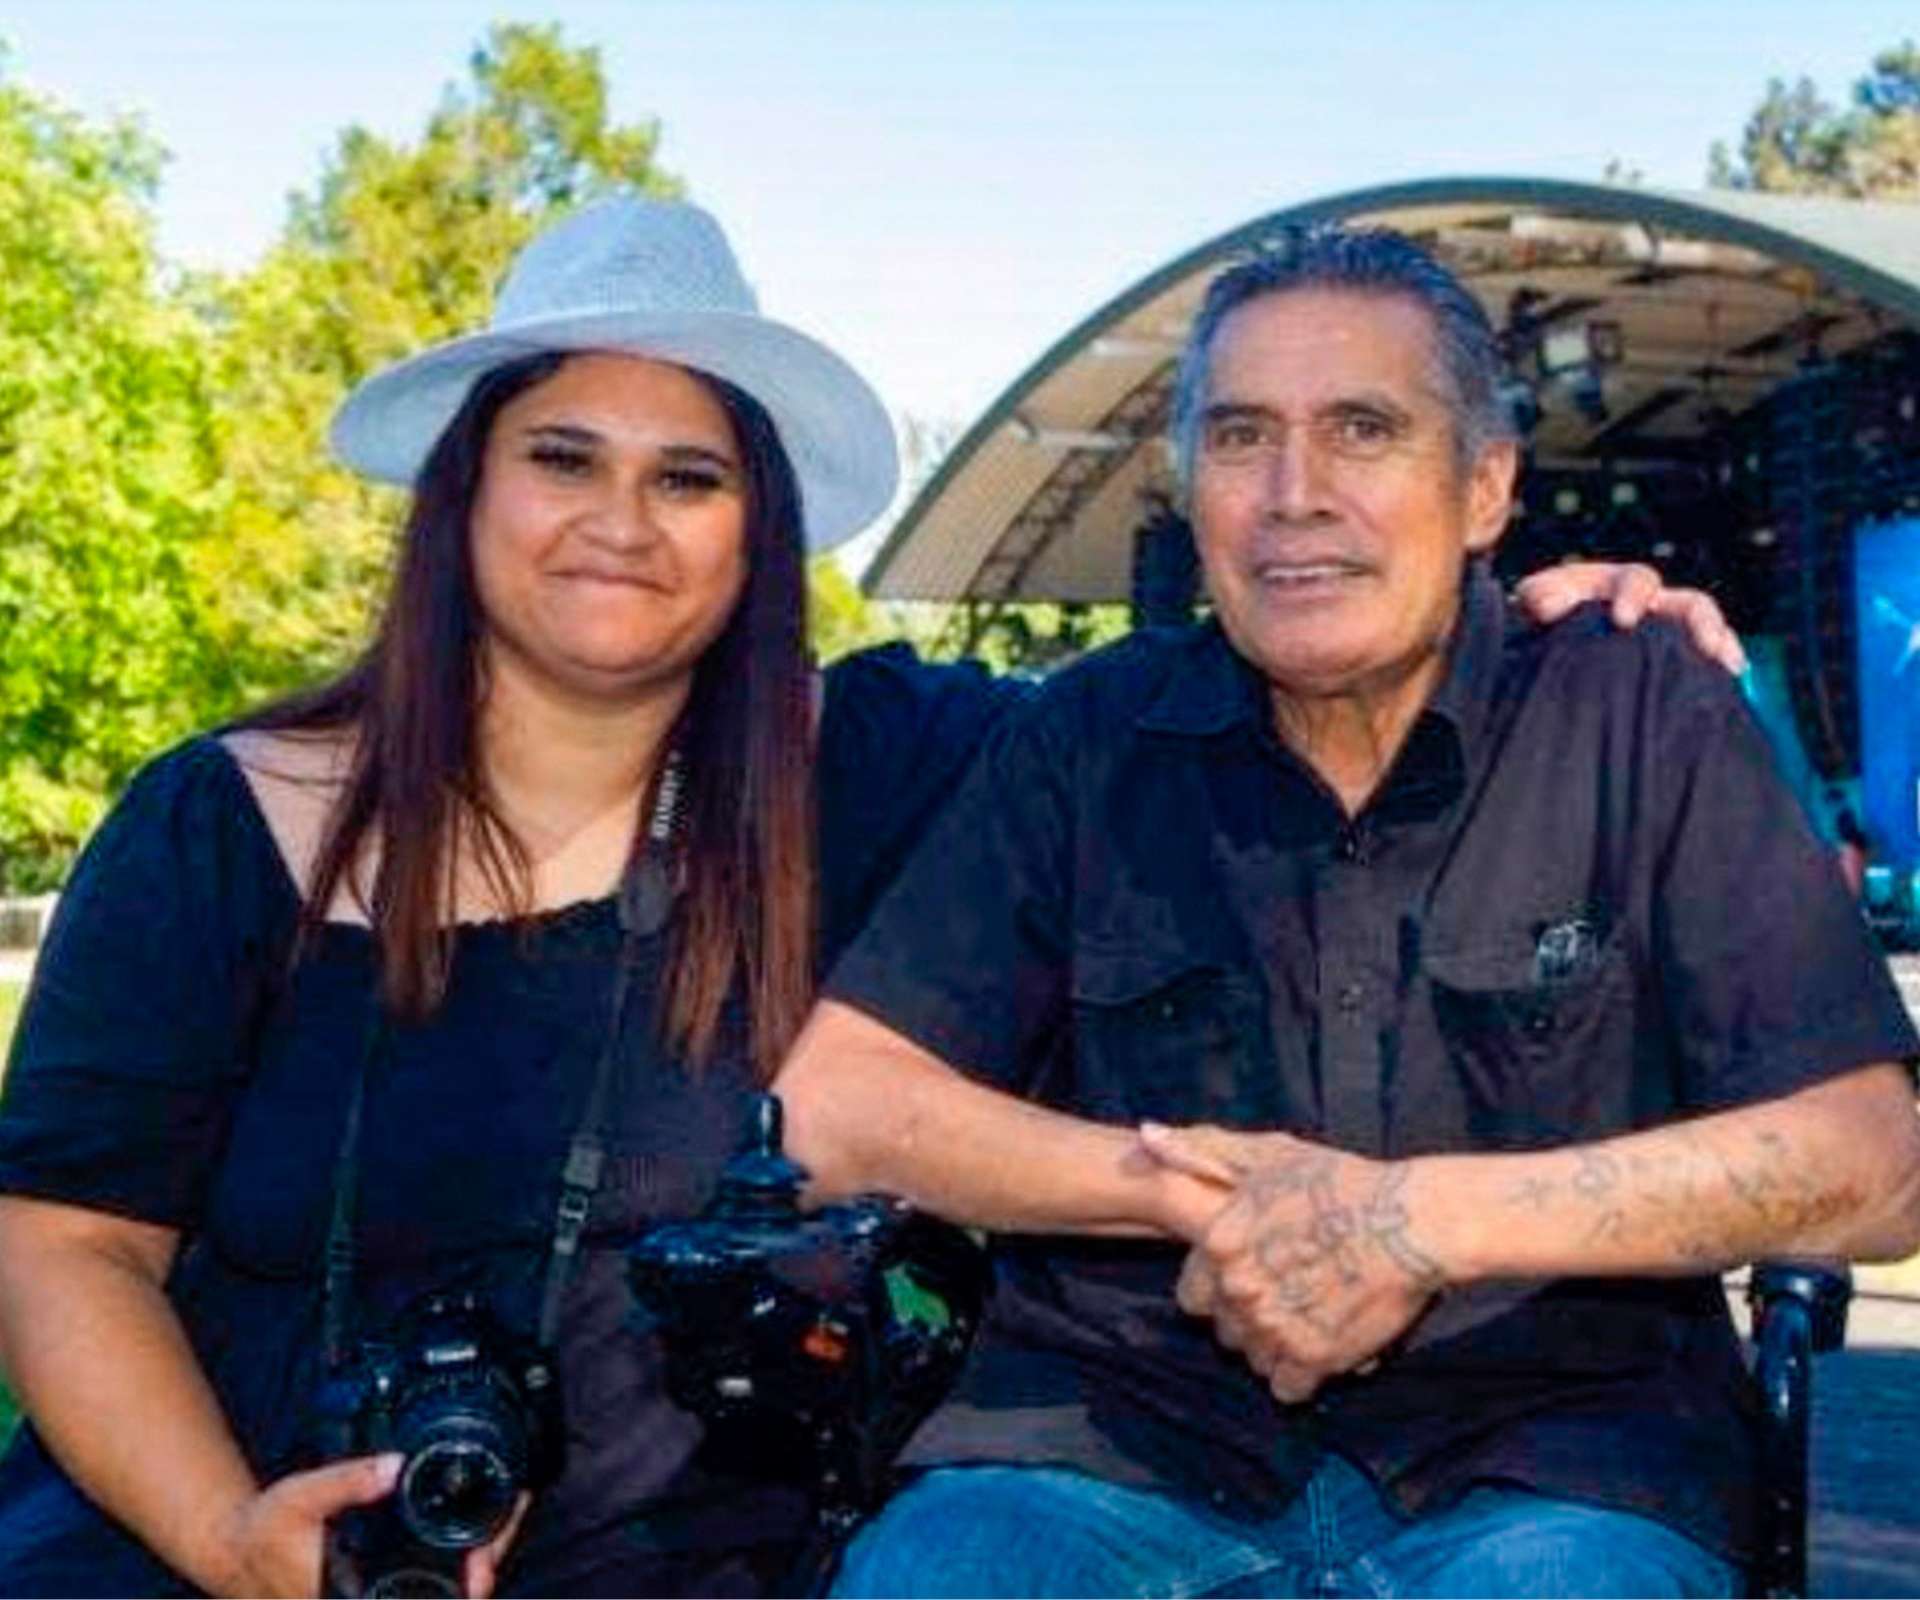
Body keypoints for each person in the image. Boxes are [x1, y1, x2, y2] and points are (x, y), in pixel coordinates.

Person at [0, 192, 1741, 1600]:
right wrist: (227, 1536)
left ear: (758, 527)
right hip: (234, 1536)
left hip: (703, 1566)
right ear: (466, 488)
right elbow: (66, 1245)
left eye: (689, 477)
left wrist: (1520, 630)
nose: (622, 521)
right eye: (563, 457)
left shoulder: (887, 764)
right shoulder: (231, 824)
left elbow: (1247, 683)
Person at [775, 225, 1920, 1598]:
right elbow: (832, 1111)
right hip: (1106, 1450)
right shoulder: (1082, 739)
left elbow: (1874, 1160)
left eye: (1363, 430)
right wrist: (1199, 1194)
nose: (1295, 495)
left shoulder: (1637, 709)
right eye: (1241, 437)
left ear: (1484, 487)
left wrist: (1420, 1220)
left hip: (1557, 1467)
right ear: (1190, 490)